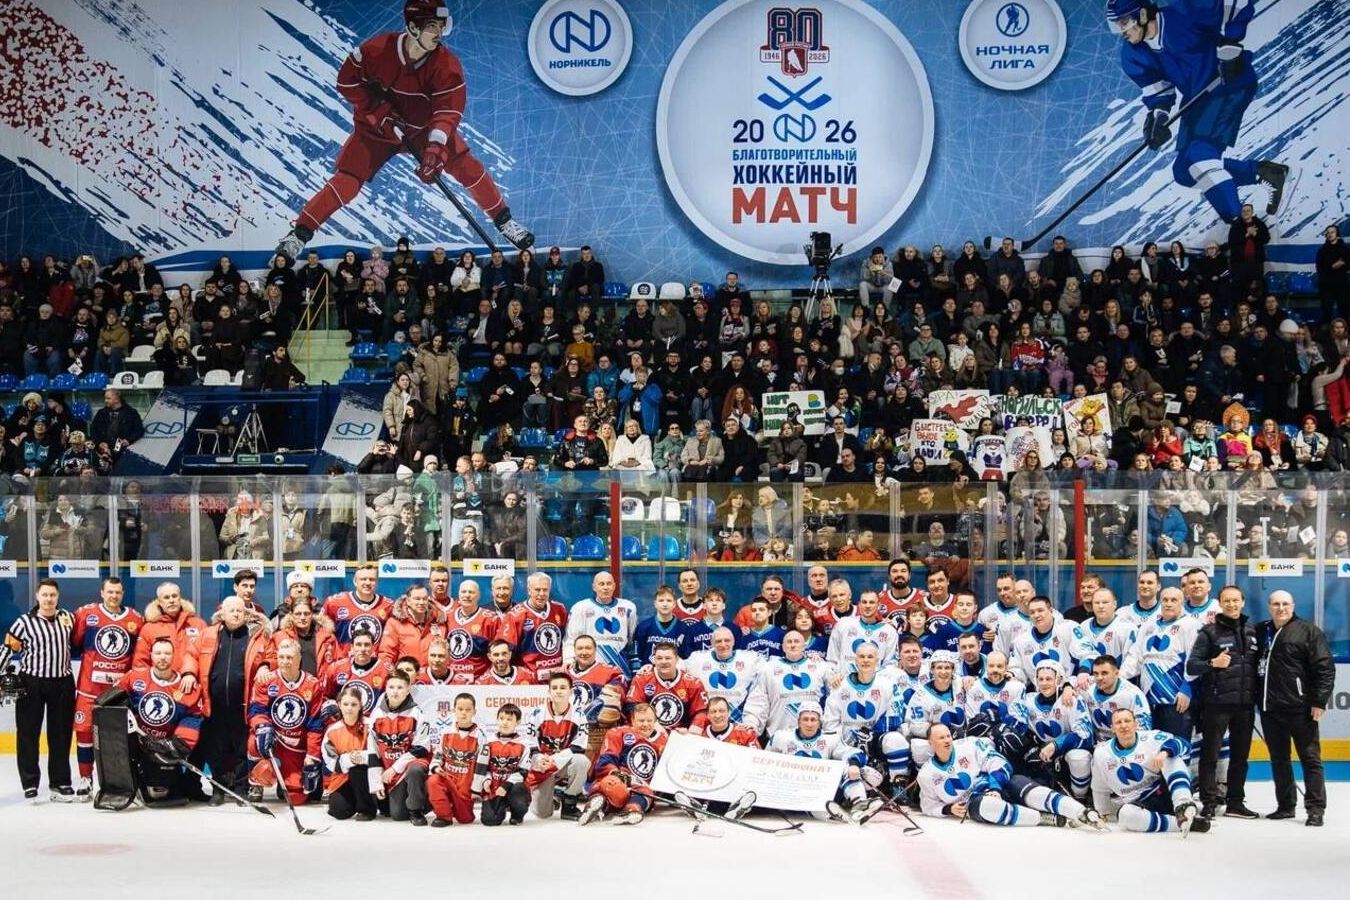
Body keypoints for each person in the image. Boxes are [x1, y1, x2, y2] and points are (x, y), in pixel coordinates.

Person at [276, 1, 532, 260]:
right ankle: (299, 234)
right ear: (412, 27)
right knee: (348, 180)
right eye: (432, 26)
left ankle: (504, 222)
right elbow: (346, 81)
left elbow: (448, 112)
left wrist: (435, 148)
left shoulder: (447, 66)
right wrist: (376, 111)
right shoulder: (376, 50)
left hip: (423, 131)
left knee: (467, 166)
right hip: (377, 130)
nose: (439, 33)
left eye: (441, 26)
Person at [1105, 0, 1288, 224]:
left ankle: (1241, 225)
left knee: (1199, 157)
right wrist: (1158, 120)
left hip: (1229, 85)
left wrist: (1230, 43)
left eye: (1124, 22)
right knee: (1184, 171)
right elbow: (1160, 91)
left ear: (1143, 14)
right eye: (1116, 25)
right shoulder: (1132, 54)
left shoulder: (1185, 12)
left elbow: (1235, 2)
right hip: (1197, 97)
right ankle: (1264, 172)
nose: (1121, 31)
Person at [917, 724, 1098, 828]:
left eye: (948, 736)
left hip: (998, 785)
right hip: (976, 801)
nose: (947, 740)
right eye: (941, 738)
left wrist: (995, 787)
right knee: (986, 806)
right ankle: (1043, 818)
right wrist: (948, 809)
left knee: (1023, 785)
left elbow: (999, 762)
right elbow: (927, 805)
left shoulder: (969, 745)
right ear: (931, 743)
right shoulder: (926, 774)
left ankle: (1082, 812)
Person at [1256, 590, 1334, 826]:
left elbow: (1324, 668)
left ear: (1293, 605)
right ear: (1269, 606)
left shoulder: (1308, 631)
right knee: (1279, 759)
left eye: (1285, 604)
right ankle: (1285, 806)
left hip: (1300, 708)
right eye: (1276, 604)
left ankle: (1315, 809)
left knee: (1310, 759)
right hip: (1270, 709)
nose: (1281, 608)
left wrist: (1319, 701)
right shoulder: (1261, 631)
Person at [190, 596, 274, 805]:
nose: (236, 614)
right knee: (216, 749)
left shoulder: (256, 636)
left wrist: (266, 665)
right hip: (215, 704)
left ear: (246, 614)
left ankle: (241, 789)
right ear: (222, 614)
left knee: (241, 749)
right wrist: (188, 673)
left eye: (240, 611)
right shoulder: (208, 634)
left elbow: (271, 655)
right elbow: (191, 654)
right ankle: (218, 789)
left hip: (242, 705)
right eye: (232, 611)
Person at [1186, 584, 1259, 820]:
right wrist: (1212, 663)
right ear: (1220, 604)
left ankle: (1235, 802)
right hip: (1216, 704)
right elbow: (1192, 665)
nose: (1232, 604)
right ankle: (1208, 802)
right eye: (1227, 601)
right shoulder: (1209, 632)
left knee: (1240, 757)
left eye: (1236, 600)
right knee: (1210, 755)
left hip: (1245, 705)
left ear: (1243, 602)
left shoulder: (1252, 631)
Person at [0, 580, 76, 801]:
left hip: (62, 682)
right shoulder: (23, 622)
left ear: (58, 596)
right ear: (37, 596)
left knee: (61, 735)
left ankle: (60, 782)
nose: (49, 599)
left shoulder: (68, 618)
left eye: (52, 595)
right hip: (32, 682)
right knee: (28, 734)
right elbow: (8, 650)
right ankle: (30, 783)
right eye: (45, 595)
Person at [70, 577, 145, 797]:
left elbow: (139, 656)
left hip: (118, 693)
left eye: (118, 592)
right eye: (110, 592)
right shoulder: (86, 614)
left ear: (123, 594)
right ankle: (86, 777)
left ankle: (120, 779)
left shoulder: (135, 619)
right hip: (89, 690)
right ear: (102, 593)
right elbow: (74, 644)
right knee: (84, 734)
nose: (114, 596)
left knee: (121, 737)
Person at [113, 636, 205, 806]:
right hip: (138, 742)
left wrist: (178, 743)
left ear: (174, 656)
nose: (162, 657)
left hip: (166, 745)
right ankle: (124, 784)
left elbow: (193, 716)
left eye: (167, 653)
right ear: (151, 655)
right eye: (158, 653)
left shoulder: (186, 687)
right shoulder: (134, 677)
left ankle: (187, 785)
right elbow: (112, 701)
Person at [1091, 708, 1207, 833]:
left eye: (1127, 721)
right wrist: (1102, 812)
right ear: (1112, 728)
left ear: (1136, 724)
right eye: (1118, 722)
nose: (1124, 725)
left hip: (1165, 793)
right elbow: (1099, 787)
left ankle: (1183, 805)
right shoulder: (1101, 753)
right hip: (1140, 804)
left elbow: (1184, 744)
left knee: (1171, 757)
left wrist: (1165, 752)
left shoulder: (1151, 738)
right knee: (1125, 815)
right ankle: (1183, 824)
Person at [766, 701, 883, 824]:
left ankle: (859, 804)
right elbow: (763, 760)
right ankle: (827, 812)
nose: (809, 724)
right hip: (790, 790)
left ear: (819, 722)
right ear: (798, 721)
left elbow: (853, 753)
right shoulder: (781, 737)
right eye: (805, 719)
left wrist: (853, 765)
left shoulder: (830, 739)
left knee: (854, 768)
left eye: (813, 720)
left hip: (819, 789)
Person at [247, 639, 324, 804]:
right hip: (273, 740)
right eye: (281, 657)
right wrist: (262, 725)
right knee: (255, 740)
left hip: (296, 746)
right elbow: (256, 710)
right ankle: (256, 784)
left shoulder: (312, 684)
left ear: (299, 659)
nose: (284, 661)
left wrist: (312, 756)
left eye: (289, 657)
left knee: (297, 798)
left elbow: (315, 725)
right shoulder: (266, 681)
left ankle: (288, 779)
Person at [1007, 661, 1095, 800]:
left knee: (1079, 757)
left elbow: (1085, 735)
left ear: (1058, 680)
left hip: (1065, 754)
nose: (1044, 683)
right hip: (1042, 756)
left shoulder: (1072, 700)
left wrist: (1055, 746)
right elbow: (1015, 725)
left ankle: (1080, 797)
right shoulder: (1027, 700)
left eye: (1049, 679)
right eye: (1040, 679)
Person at [577, 702, 668, 826]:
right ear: (633, 720)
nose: (646, 724)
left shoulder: (663, 741)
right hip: (619, 779)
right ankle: (596, 804)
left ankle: (631, 809)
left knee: (647, 792)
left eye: (649, 721)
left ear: (655, 721)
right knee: (610, 784)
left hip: (641, 785)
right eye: (641, 721)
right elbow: (606, 759)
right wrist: (616, 773)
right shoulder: (618, 733)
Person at [367, 670, 432, 825]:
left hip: (410, 765)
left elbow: (421, 749)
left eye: (400, 687)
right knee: (397, 815)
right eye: (391, 687)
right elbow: (373, 750)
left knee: (416, 769)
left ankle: (417, 809)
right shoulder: (376, 715)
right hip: (389, 770)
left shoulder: (418, 714)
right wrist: (376, 783)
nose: (395, 691)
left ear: (408, 689)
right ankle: (409, 803)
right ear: (385, 688)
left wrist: (394, 768)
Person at [524, 673, 590, 821]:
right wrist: (540, 760)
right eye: (554, 688)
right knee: (542, 813)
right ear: (549, 691)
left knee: (581, 761)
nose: (558, 691)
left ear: (570, 691)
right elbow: (530, 744)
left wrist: (554, 760)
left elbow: (579, 748)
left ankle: (569, 805)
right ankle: (555, 795)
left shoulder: (579, 715)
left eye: (562, 687)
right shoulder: (537, 714)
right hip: (543, 766)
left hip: (562, 763)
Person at [562, 571, 638, 677]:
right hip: (590, 669)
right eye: (601, 584)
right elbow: (571, 638)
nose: (605, 587)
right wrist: (568, 659)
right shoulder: (580, 608)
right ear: (594, 587)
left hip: (620, 667)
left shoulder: (628, 607)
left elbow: (632, 639)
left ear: (614, 586)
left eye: (608, 584)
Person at [427, 692, 486, 826]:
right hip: (448, 778)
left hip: (465, 785)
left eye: (468, 710)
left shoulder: (480, 736)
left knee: (465, 819)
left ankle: (454, 806)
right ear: (454, 710)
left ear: (474, 712)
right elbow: (438, 754)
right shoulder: (446, 732)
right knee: (433, 781)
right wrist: (436, 767)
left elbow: (482, 766)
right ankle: (444, 816)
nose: (464, 713)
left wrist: (476, 789)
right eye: (460, 709)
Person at [499, 572, 569, 682]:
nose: (541, 594)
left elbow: (568, 640)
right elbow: (505, 650)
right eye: (537, 590)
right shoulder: (515, 615)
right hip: (528, 680)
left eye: (545, 590)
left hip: (557, 677)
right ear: (529, 590)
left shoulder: (560, 609)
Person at [322, 686, 378, 821]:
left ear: (360, 706)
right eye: (346, 704)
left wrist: (363, 757)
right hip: (342, 778)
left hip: (367, 777)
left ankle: (367, 809)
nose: (349, 708)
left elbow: (379, 751)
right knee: (339, 811)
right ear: (339, 705)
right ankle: (354, 801)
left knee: (357, 769)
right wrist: (349, 759)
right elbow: (330, 761)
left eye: (354, 704)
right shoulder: (332, 731)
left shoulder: (371, 725)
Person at [685, 627, 763, 721]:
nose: (723, 644)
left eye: (727, 640)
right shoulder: (697, 660)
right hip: (708, 717)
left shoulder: (750, 659)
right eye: (718, 641)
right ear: (712, 643)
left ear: (733, 642)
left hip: (739, 718)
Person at [474, 703, 531, 826]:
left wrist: (505, 786)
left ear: (518, 722)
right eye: (501, 718)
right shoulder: (488, 742)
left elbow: (523, 772)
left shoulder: (524, 744)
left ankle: (517, 814)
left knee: (519, 793)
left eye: (509, 719)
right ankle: (501, 807)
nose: (504, 722)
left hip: (513, 787)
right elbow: (484, 767)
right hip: (495, 788)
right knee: (489, 820)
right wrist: (486, 780)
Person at [321, 563, 395, 652]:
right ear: (355, 581)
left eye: (372, 579)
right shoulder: (334, 603)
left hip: (375, 659)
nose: (367, 583)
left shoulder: (388, 605)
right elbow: (322, 634)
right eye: (363, 579)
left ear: (377, 582)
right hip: (344, 659)